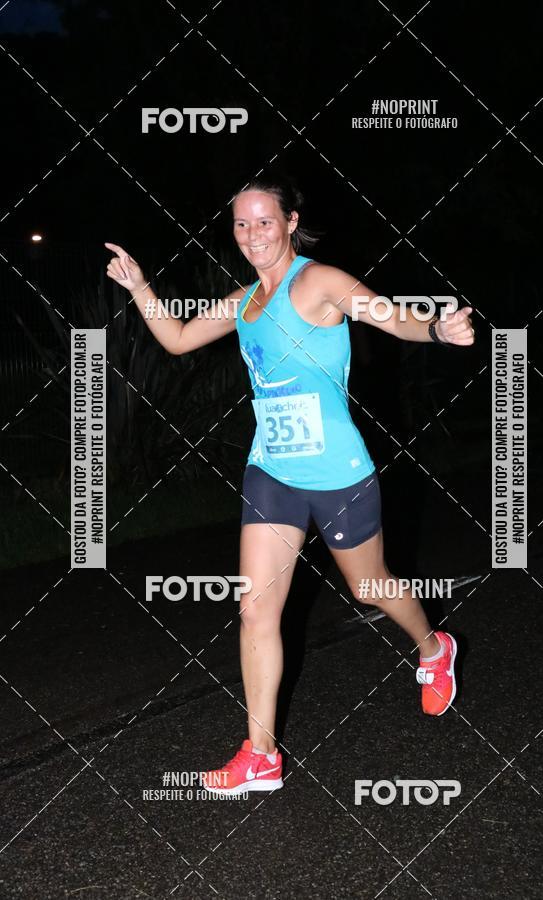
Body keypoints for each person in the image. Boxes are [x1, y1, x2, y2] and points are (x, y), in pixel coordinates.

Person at [105, 175, 474, 797]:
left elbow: (390, 317)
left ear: (291, 222)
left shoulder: (319, 282)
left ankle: (434, 646)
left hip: (338, 475)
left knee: (371, 587)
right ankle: (261, 754)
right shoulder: (244, 300)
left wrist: (438, 330)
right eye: (241, 224)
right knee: (255, 608)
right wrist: (141, 287)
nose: (252, 235)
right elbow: (174, 339)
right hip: (270, 472)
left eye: (264, 221)